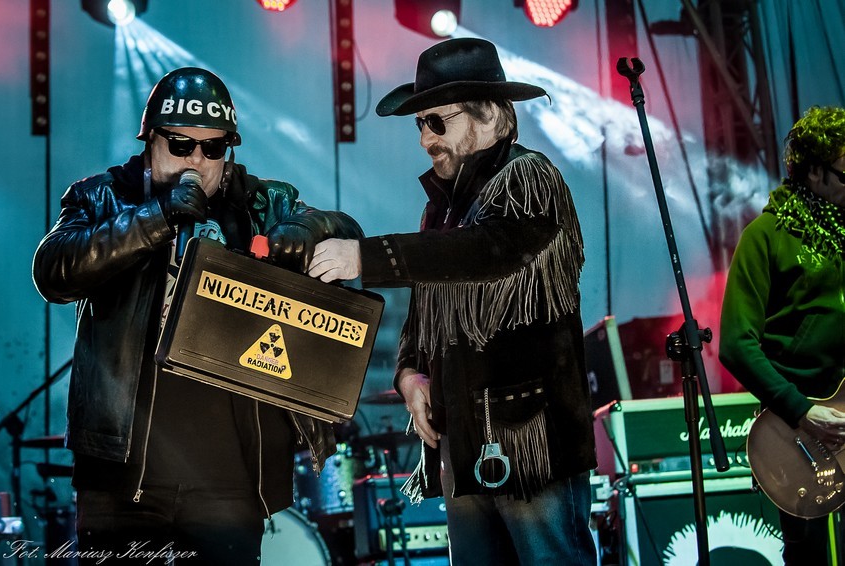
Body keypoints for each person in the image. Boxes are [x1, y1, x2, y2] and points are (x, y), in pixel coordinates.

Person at [32, 67, 363, 564]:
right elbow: (53, 270)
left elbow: (347, 230)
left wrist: (307, 227)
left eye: (213, 148)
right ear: (150, 140)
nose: (197, 160)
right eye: (181, 144)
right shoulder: (104, 196)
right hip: (123, 473)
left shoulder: (262, 201)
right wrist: (158, 217)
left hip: (229, 477)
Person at [308, 38, 597, 565]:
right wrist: (409, 374)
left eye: (437, 122)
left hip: (531, 443)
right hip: (463, 446)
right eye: (421, 124)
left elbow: (487, 251)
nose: (425, 139)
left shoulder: (530, 177)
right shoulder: (441, 210)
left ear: (490, 117)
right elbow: (424, 313)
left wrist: (365, 256)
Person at [719, 105, 845, 565]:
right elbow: (736, 344)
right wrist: (801, 410)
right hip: (802, 432)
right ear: (814, 172)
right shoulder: (766, 236)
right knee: (811, 556)